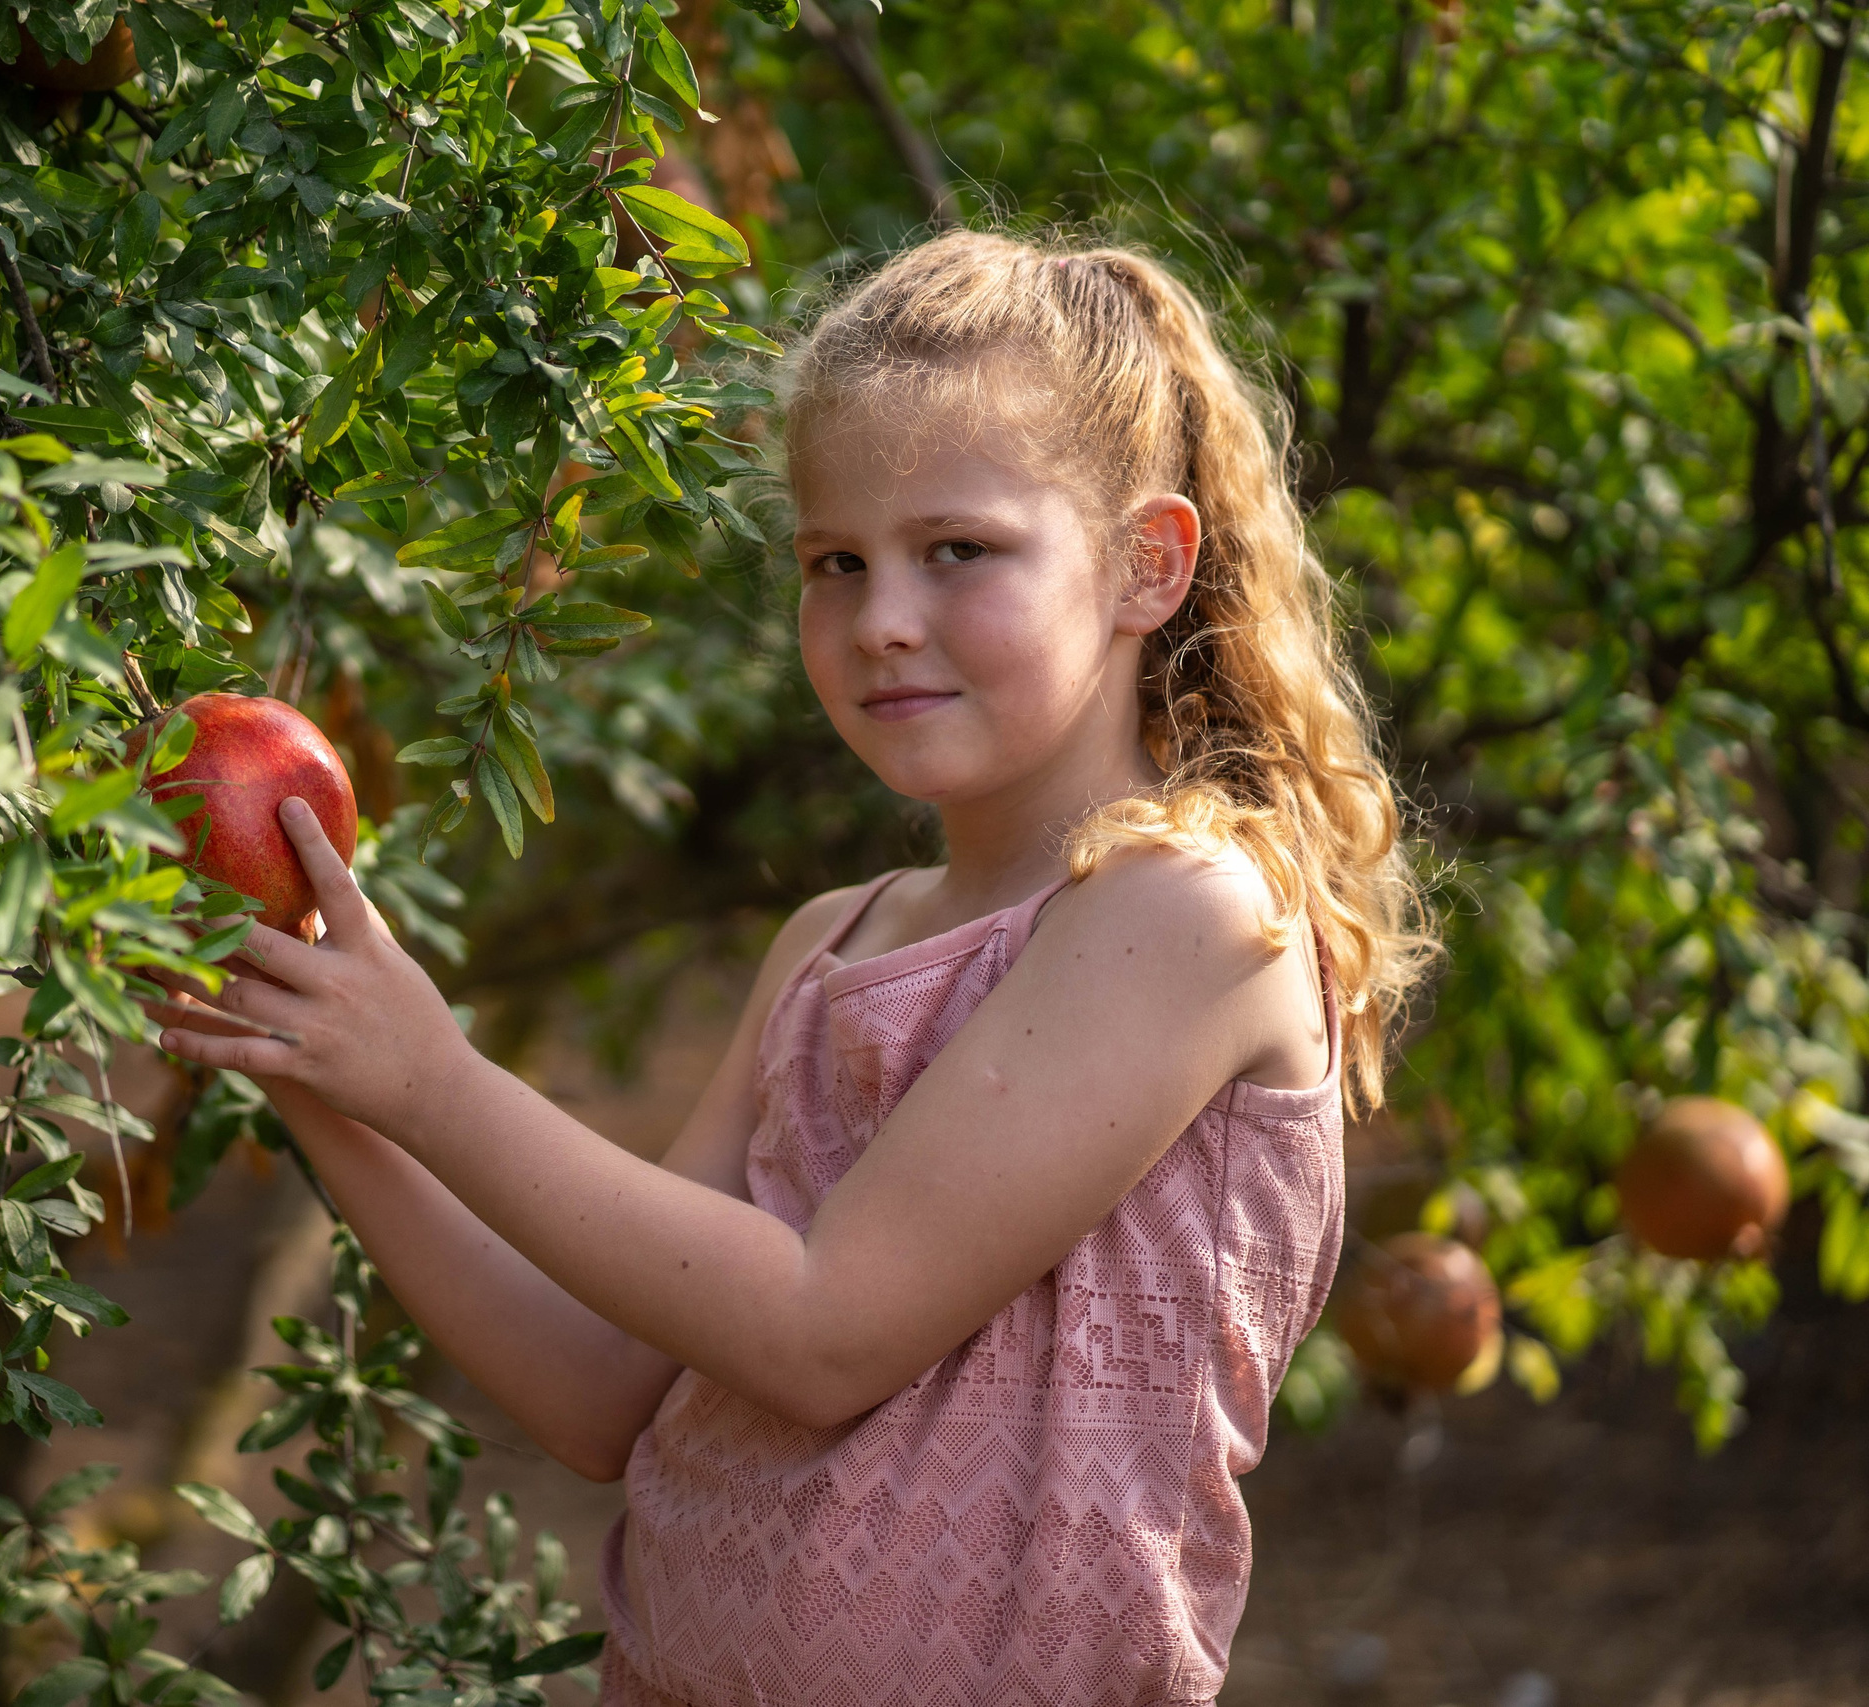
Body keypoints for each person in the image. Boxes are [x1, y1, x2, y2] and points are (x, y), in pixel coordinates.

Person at [157, 230, 1432, 1707]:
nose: (882, 616)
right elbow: (599, 1393)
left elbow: (824, 1328)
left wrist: (435, 1081)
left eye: (959, 549)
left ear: (1148, 563)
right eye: (837, 561)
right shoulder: (829, 944)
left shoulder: (1188, 918)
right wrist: (321, 1073)